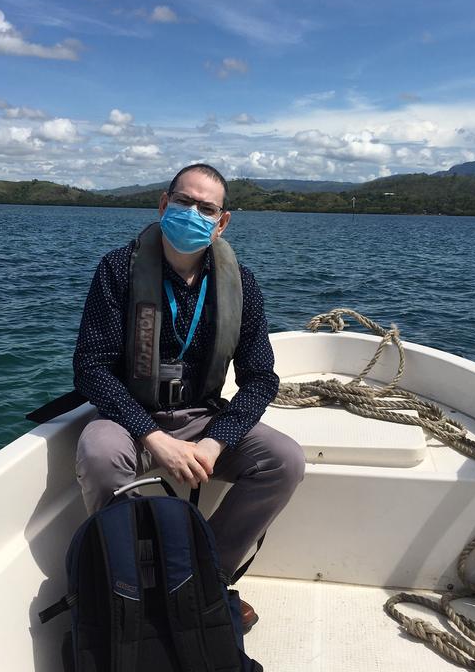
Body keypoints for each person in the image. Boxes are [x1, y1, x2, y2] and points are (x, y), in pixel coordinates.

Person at [73, 163, 305, 632]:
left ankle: (203, 576)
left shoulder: (241, 284)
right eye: (183, 202)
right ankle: (131, 581)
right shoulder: (118, 270)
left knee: (285, 460)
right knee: (98, 454)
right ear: (163, 205)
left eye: (206, 208)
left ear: (222, 222)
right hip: (130, 417)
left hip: (203, 416)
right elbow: (90, 367)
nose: (192, 213)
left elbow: (261, 378)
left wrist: (215, 441)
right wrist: (153, 436)